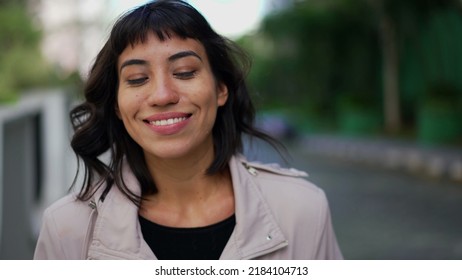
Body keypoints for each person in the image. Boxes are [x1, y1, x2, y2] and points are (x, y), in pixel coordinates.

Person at [34, 0, 342, 260]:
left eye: (184, 72)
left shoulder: (303, 210)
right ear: (117, 105)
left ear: (221, 89)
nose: (163, 95)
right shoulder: (67, 230)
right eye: (138, 79)